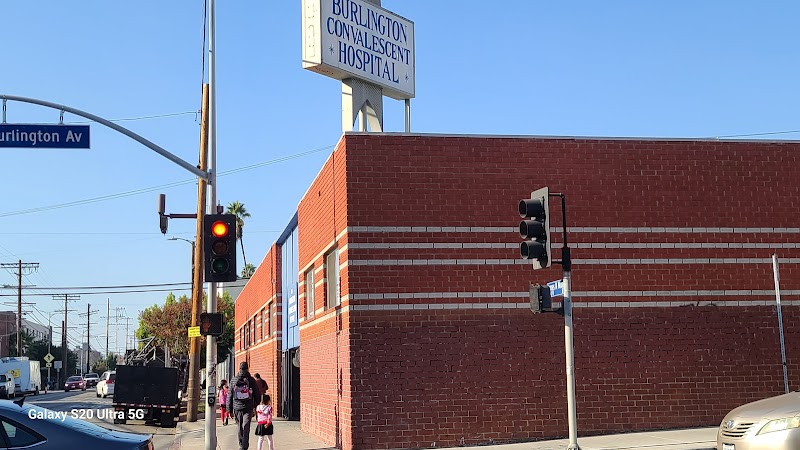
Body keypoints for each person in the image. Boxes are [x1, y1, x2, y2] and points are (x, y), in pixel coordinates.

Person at [227, 361, 259, 450]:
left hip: (237, 408)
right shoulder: (251, 380)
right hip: (248, 407)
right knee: (246, 426)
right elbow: (257, 394)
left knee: (240, 426)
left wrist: (229, 410)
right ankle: (245, 446)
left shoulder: (233, 380)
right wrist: (255, 405)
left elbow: (229, 395)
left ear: (239, 368)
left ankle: (241, 445)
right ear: (247, 368)